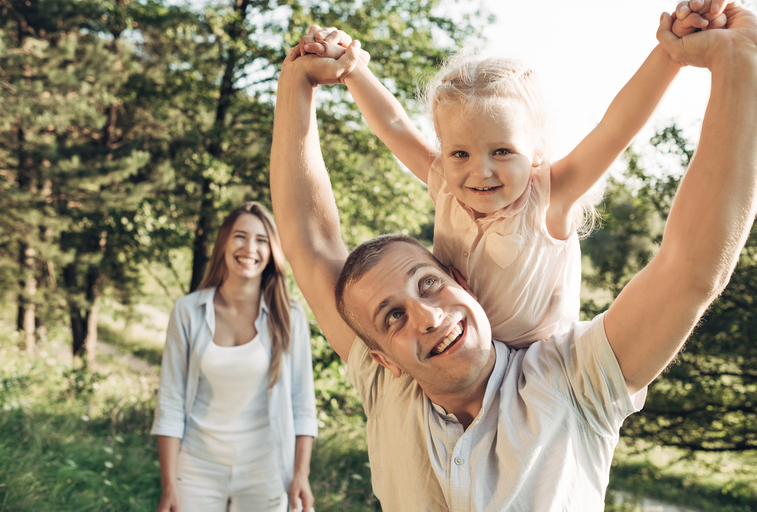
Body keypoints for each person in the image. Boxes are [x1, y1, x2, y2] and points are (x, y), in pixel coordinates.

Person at [270, 0, 757, 509]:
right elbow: (312, 240)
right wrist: (309, 78)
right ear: (380, 358)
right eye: (392, 316)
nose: (428, 316)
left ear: (457, 276)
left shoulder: (569, 383)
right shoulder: (390, 385)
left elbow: (687, 264)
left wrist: (704, 59)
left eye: (428, 283)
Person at [297, 14, 717, 348]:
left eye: (502, 151)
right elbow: (393, 124)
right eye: (459, 153)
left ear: (536, 153)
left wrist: (670, 54)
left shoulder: (550, 197)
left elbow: (614, 128)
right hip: (464, 354)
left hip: (542, 362)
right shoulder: (443, 181)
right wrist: (351, 67)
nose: (479, 171)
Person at [151, 202, 318, 512]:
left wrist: (300, 474)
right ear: (224, 243)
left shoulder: (289, 316)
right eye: (240, 236)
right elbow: (170, 403)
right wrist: (169, 484)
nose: (249, 248)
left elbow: (302, 403)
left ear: (271, 251)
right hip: (196, 467)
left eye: (261, 240)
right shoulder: (187, 312)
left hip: (265, 468)